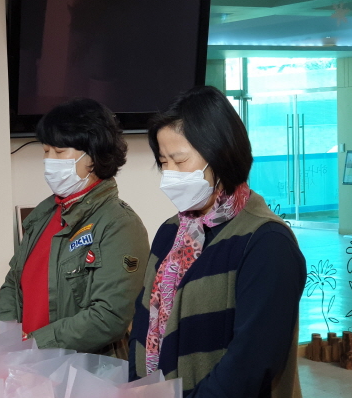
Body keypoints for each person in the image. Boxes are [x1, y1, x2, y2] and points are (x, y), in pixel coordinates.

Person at [128, 86, 305, 397]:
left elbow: (251, 363)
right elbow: (142, 323)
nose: (169, 174)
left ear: (220, 155)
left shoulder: (267, 242)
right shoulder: (170, 233)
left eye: (180, 161)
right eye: (163, 162)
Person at [0, 98, 149, 357]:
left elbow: (109, 316)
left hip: (80, 369)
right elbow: (13, 282)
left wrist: (34, 344)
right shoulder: (44, 214)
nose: (49, 161)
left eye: (59, 152)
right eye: (46, 151)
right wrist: (6, 335)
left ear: (94, 156)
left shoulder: (119, 224)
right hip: (27, 362)